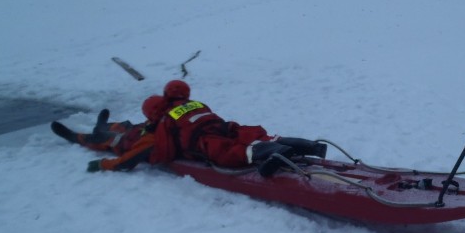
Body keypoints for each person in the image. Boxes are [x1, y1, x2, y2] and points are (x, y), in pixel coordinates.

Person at [51, 80, 326, 176]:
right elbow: (128, 148)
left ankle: (84, 134)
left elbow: (128, 159)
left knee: (108, 137)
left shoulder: (155, 131)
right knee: (246, 133)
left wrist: (102, 166)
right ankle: (290, 142)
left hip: (132, 136)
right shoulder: (190, 106)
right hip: (216, 125)